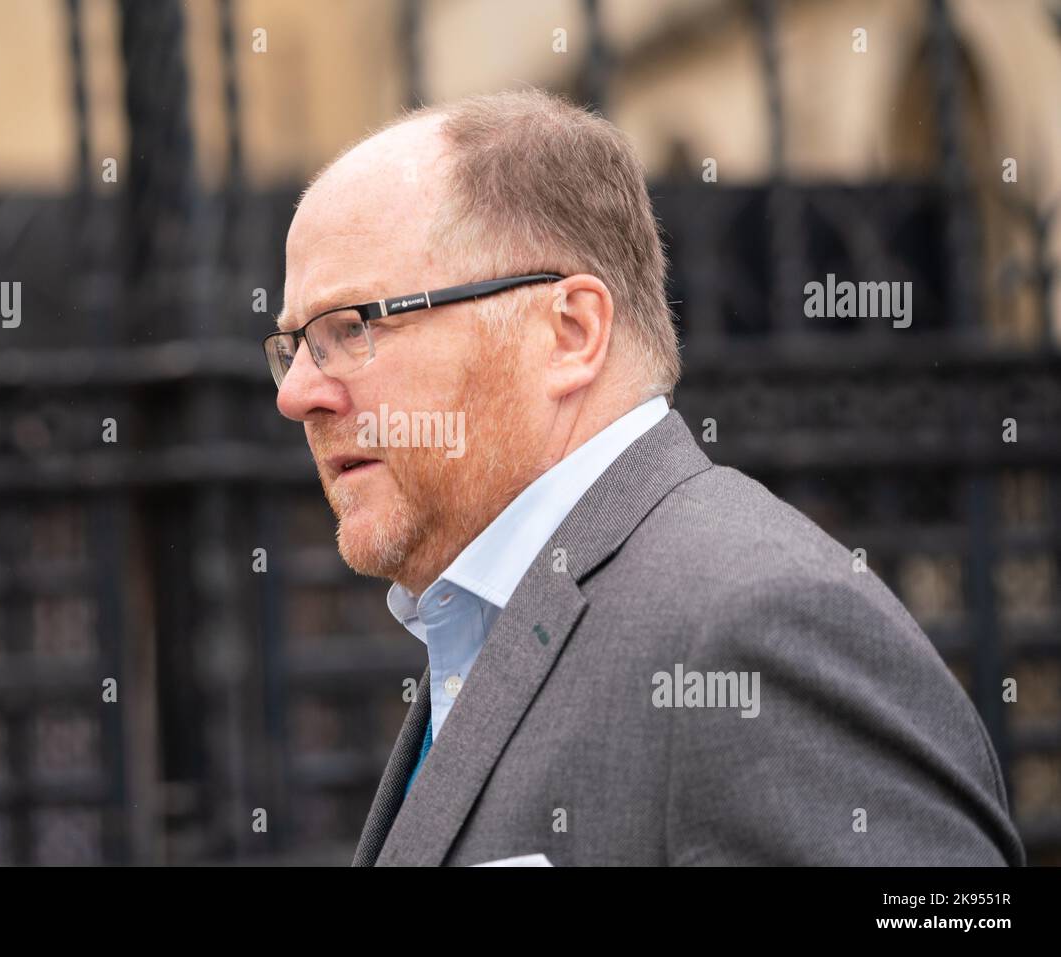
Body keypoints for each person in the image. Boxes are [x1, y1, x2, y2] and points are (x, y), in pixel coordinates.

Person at [263, 88, 1024, 866]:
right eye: (293, 345)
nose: (296, 395)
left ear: (569, 332)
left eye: (352, 328)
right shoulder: (486, 617)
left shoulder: (758, 620)